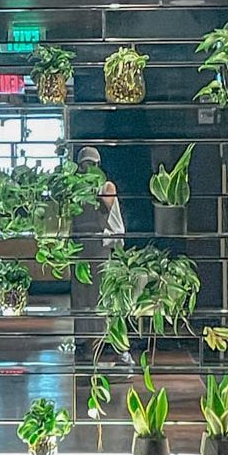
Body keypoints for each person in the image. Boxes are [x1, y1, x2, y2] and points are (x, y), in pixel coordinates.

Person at [71, 147, 127, 358]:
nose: (88, 169)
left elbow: (108, 207)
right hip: (78, 248)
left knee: (98, 297)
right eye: (85, 164)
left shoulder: (105, 185)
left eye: (92, 164)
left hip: (99, 247)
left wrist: (94, 190)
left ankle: (101, 346)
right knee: (81, 297)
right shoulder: (73, 190)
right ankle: (83, 344)